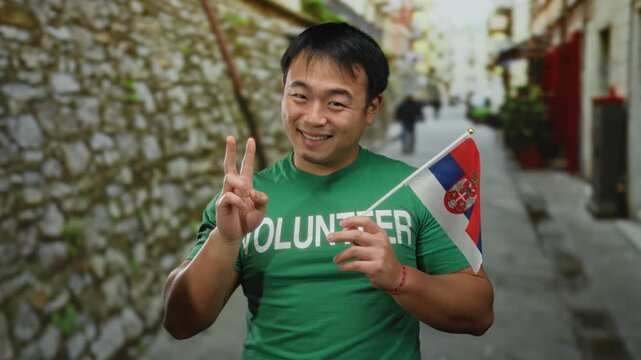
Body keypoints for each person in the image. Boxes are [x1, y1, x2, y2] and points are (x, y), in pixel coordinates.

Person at [162, 22, 494, 359]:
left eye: (336, 104)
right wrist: (227, 239)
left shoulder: (414, 189)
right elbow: (180, 322)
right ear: (283, 89)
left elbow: (478, 312)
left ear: (372, 107)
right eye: (300, 96)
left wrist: (400, 278)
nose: (313, 118)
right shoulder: (242, 202)